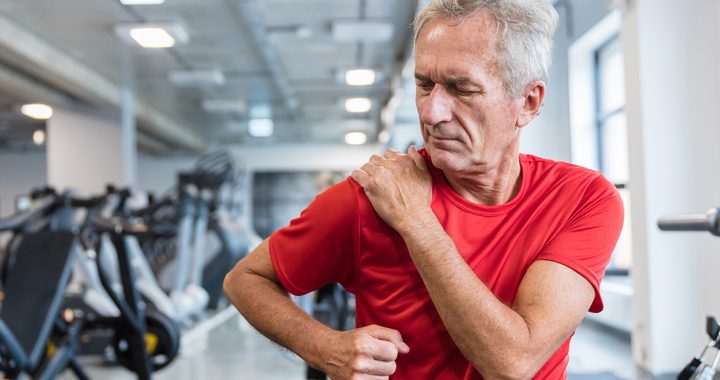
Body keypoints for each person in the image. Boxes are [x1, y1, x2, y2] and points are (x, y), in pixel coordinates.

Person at [224, 0, 624, 378]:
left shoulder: (583, 199)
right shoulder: (368, 198)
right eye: (424, 84)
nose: (432, 113)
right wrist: (325, 348)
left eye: (462, 88)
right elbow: (245, 279)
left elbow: (513, 363)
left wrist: (417, 221)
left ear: (528, 103)